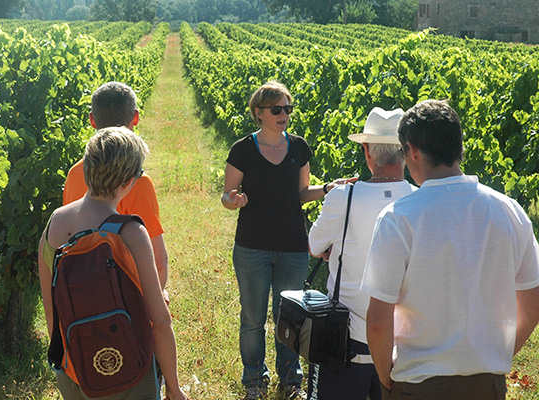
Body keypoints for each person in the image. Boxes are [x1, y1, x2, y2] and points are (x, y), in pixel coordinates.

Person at [362, 100, 539, 400]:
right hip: (488, 385)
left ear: (412, 151)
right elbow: (532, 306)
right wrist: (495, 357)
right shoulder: (509, 211)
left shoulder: (398, 218)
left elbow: (379, 321)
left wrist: (386, 379)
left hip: (419, 385)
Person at [220, 80, 354, 400]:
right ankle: (254, 379)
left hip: (293, 244)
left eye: (287, 109)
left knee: (289, 315)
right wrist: (232, 201)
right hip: (252, 245)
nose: (284, 115)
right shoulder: (242, 149)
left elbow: (301, 193)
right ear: (259, 113)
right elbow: (226, 194)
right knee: (253, 317)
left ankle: (291, 379)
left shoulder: (298, 147)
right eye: (277, 109)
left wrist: (326, 189)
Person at [39, 127, 189, 400]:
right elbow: (160, 321)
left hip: (76, 370)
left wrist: (71, 368)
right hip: (130, 369)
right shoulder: (130, 232)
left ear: (86, 170)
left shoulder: (54, 224)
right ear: (129, 181)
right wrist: (174, 387)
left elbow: (52, 313)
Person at [306, 107, 416, 400]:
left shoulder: (343, 196)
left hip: (346, 341)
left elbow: (314, 247)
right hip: (403, 345)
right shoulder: (421, 200)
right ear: (406, 152)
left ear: (367, 151)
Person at [63, 81, 169, 301]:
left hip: (83, 293)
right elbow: (157, 260)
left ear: (92, 120)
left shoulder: (74, 174)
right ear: (136, 118)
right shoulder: (137, 181)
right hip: (125, 298)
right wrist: (156, 297)